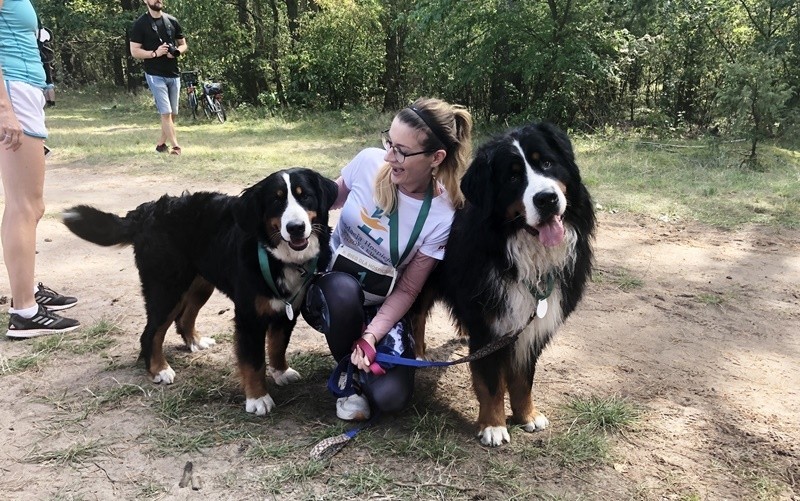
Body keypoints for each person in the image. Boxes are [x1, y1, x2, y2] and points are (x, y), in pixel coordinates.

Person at [303, 97, 473, 421]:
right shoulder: (368, 163)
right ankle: (349, 377)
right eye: (389, 142)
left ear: (436, 158)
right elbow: (325, 202)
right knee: (342, 292)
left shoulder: (443, 214)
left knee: (391, 398)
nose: (388, 156)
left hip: (383, 303)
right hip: (331, 291)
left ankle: (362, 354)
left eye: (401, 151)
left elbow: (409, 291)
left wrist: (371, 336)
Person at [1, 0, 80, 338]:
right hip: (12, 91)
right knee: (25, 205)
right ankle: (24, 311)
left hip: (22, 89)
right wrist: (4, 108)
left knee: (28, 205)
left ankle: (26, 292)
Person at [129, 0, 187, 155]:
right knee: (166, 112)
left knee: (172, 113)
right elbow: (134, 51)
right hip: (155, 74)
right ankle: (176, 147)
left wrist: (176, 52)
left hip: (173, 73)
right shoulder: (140, 24)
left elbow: (183, 44)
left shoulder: (172, 20)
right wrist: (154, 53)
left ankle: (161, 145)